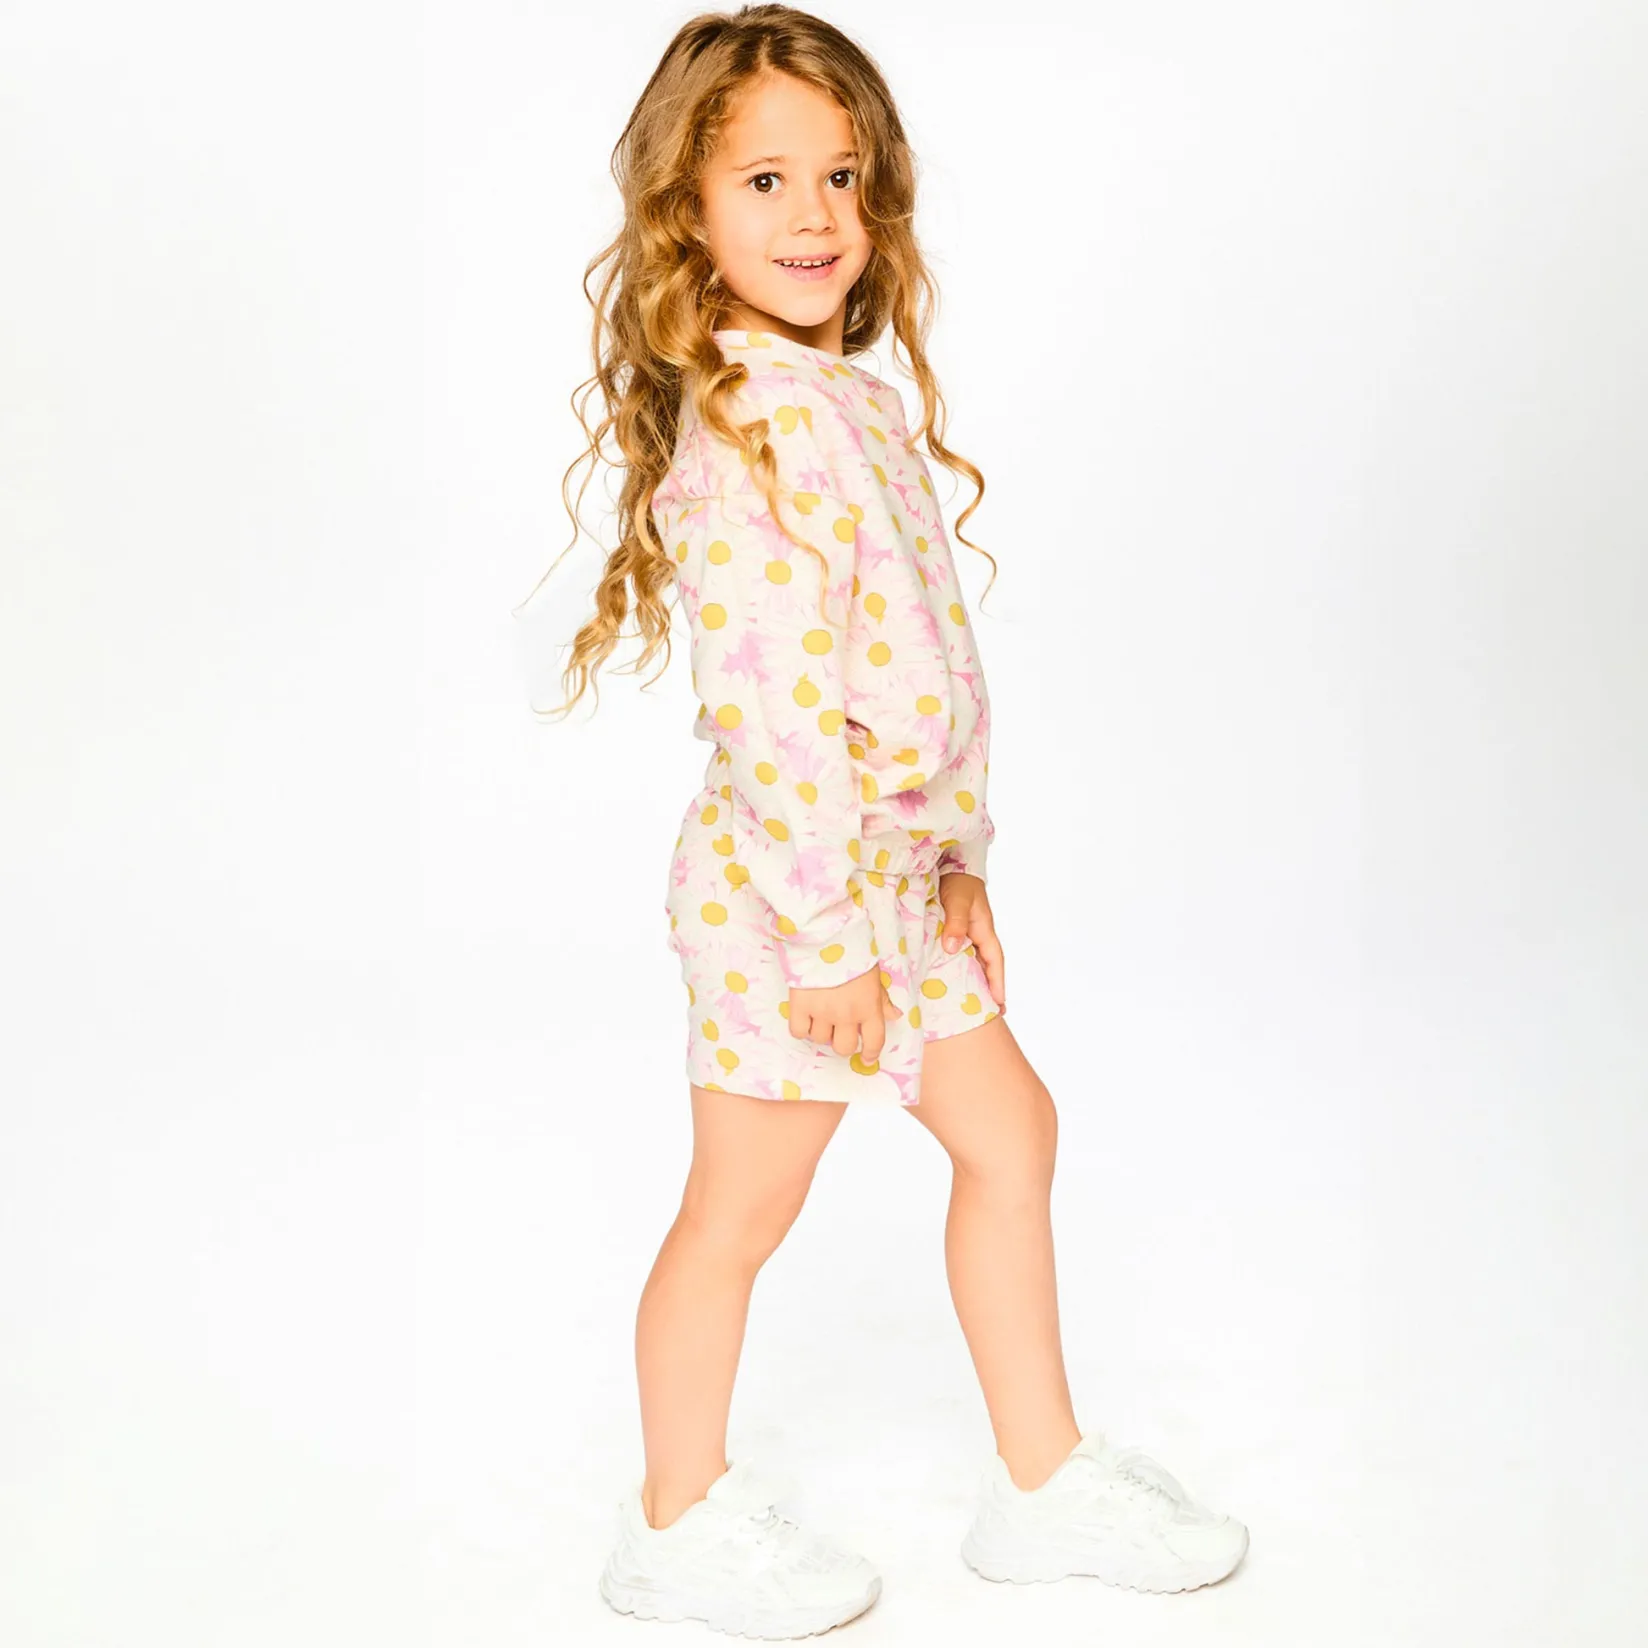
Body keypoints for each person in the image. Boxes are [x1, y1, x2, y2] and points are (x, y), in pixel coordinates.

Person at [529, 5, 1250, 1635]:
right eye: (765, 181)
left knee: (1014, 1134)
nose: (816, 216)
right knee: (741, 1210)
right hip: (793, 903)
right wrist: (828, 940)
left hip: (898, 888)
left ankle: (1040, 1484)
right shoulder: (749, 430)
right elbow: (776, 719)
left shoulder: (844, 397)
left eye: (842, 177)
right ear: (686, 211)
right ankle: (675, 1518)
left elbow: (919, 664)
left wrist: (958, 864)